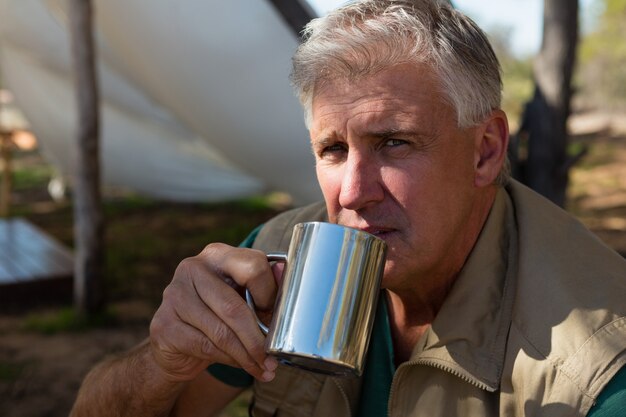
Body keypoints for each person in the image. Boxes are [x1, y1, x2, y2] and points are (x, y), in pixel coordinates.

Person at [71, 1, 626, 416]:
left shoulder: (597, 369)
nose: (353, 192)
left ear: (484, 151)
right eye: (333, 149)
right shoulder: (277, 257)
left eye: (394, 143)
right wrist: (163, 360)